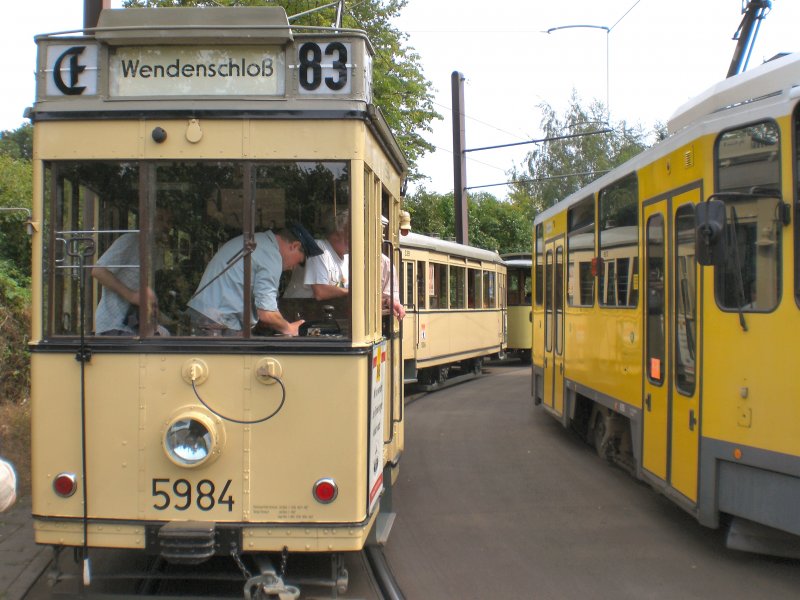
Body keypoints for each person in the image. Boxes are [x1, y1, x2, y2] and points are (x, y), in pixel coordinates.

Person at [188, 224, 322, 336]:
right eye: (298, 262)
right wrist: (289, 328)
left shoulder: (259, 242)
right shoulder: (272, 256)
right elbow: (267, 314)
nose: (291, 268)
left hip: (206, 317)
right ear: (294, 245)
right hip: (213, 323)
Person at [91, 211, 171, 336]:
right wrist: (131, 296)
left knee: (165, 335)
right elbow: (98, 271)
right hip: (114, 324)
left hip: (137, 323)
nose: (166, 225)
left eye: (169, 222)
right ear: (148, 221)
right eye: (160, 219)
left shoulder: (156, 250)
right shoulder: (131, 240)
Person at [283, 210, 350, 300]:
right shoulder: (319, 249)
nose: (353, 240)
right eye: (349, 235)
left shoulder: (348, 258)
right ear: (336, 234)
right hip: (298, 309)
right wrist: (353, 292)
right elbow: (321, 292)